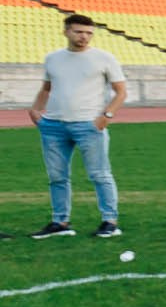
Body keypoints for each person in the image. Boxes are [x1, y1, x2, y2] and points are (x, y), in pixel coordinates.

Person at [31, 13, 125, 238]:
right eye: (79, 32)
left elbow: (120, 91)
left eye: (89, 33)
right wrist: (35, 109)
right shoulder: (53, 58)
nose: (84, 37)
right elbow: (47, 87)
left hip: (88, 125)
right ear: (66, 31)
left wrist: (107, 116)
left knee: (100, 174)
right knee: (57, 177)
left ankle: (109, 221)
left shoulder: (104, 58)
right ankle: (60, 223)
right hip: (53, 126)